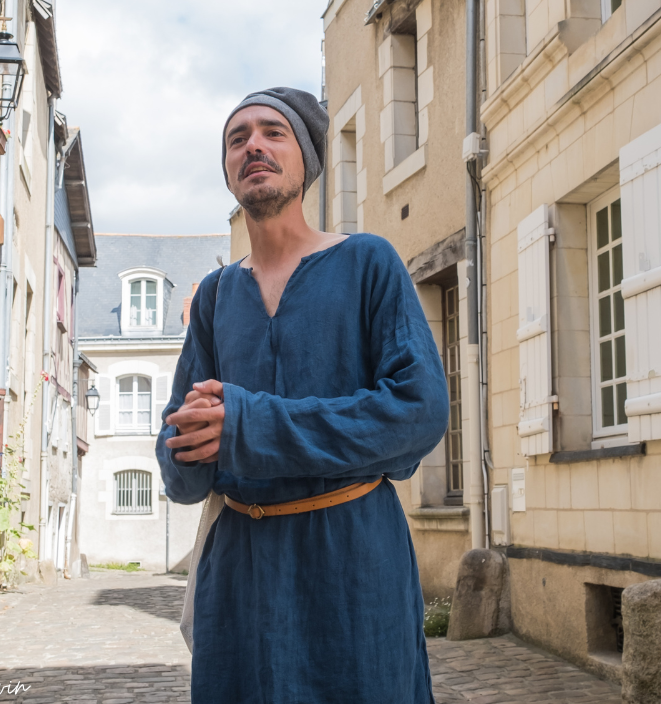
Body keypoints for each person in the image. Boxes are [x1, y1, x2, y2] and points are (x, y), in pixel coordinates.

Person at [156, 86, 449, 703]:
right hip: (238, 577)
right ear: (229, 172)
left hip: (351, 565)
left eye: (272, 132)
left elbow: (419, 411)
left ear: (306, 161)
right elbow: (181, 443)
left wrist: (245, 428)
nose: (253, 146)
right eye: (238, 139)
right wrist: (187, 445)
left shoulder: (368, 262)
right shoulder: (213, 297)